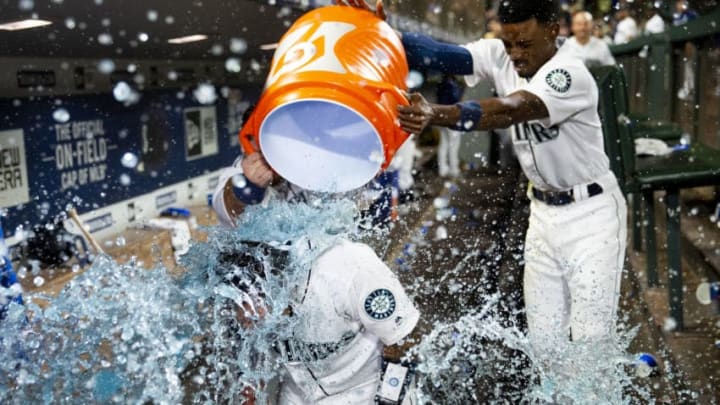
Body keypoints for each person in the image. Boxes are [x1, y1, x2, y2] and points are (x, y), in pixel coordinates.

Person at [339, 0, 627, 359]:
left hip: (591, 214)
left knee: (589, 343)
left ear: (554, 30)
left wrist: (436, 113)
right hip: (542, 213)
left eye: (525, 43)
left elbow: (509, 109)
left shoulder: (569, 73)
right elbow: (439, 53)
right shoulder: (501, 53)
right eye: (509, 43)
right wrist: (382, 32)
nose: (515, 54)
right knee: (544, 345)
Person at [211, 118, 420, 404]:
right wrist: (250, 184)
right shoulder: (241, 174)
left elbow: (403, 337)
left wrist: (389, 398)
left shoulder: (346, 268)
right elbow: (228, 205)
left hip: (361, 393)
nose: (245, 318)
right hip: (300, 394)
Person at [435, 74, 464, 178]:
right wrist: (461, 88)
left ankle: (442, 169)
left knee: (444, 144)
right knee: (453, 145)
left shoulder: (440, 84)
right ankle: (454, 169)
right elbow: (456, 99)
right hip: (452, 118)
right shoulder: (451, 85)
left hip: (441, 117)